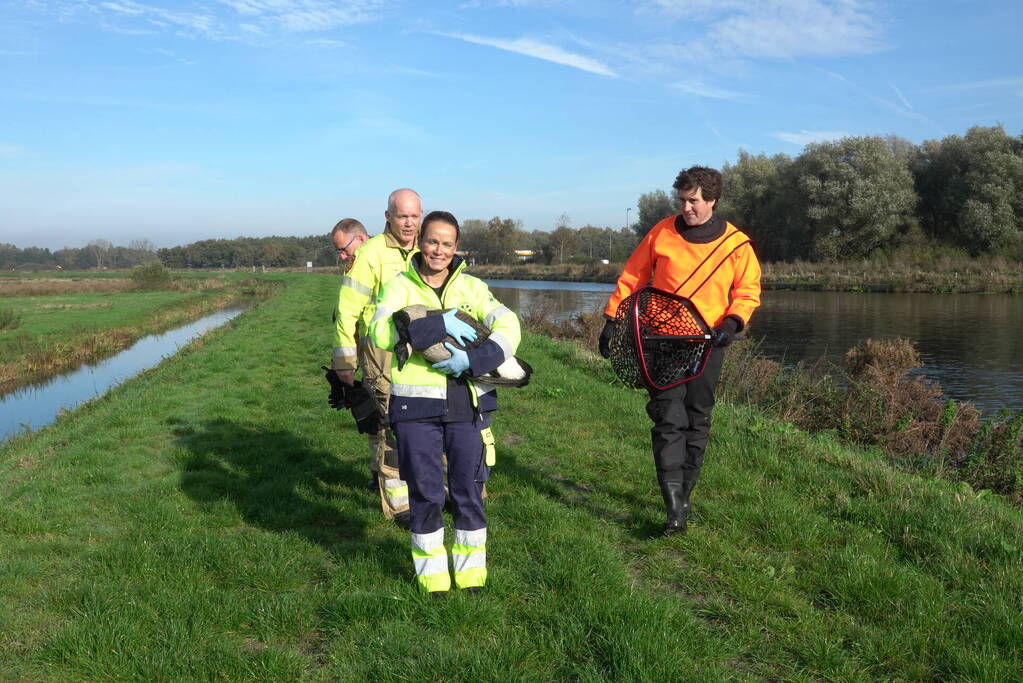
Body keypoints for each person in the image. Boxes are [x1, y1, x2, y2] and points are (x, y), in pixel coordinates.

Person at [599, 166, 761, 535]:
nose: (687, 208)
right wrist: (612, 320)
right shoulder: (662, 232)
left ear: (712, 200)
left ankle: (685, 494)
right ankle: (673, 510)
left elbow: (748, 291)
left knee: (697, 418)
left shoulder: (737, 245)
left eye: (694, 201)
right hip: (661, 341)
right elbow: (633, 276)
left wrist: (732, 323)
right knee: (668, 419)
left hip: (709, 343)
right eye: (683, 201)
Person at [369, 210, 520, 594]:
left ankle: (471, 577)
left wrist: (474, 360)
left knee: (469, 490)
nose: (439, 250)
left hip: (468, 406)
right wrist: (438, 324)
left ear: (456, 248)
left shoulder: (472, 287)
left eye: (447, 244)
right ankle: (432, 580)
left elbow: (509, 326)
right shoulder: (398, 285)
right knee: (426, 493)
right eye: (433, 241)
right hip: (414, 410)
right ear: (421, 241)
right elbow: (382, 332)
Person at [332, 189, 422, 526]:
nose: (409, 223)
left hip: (420, 356)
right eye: (402, 216)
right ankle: (399, 507)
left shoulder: (425, 250)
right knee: (390, 428)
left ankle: (427, 491)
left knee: (424, 424)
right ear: (388, 217)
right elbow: (346, 312)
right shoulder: (370, 254)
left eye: (414, 216)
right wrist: (345, 361)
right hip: (380, 354)